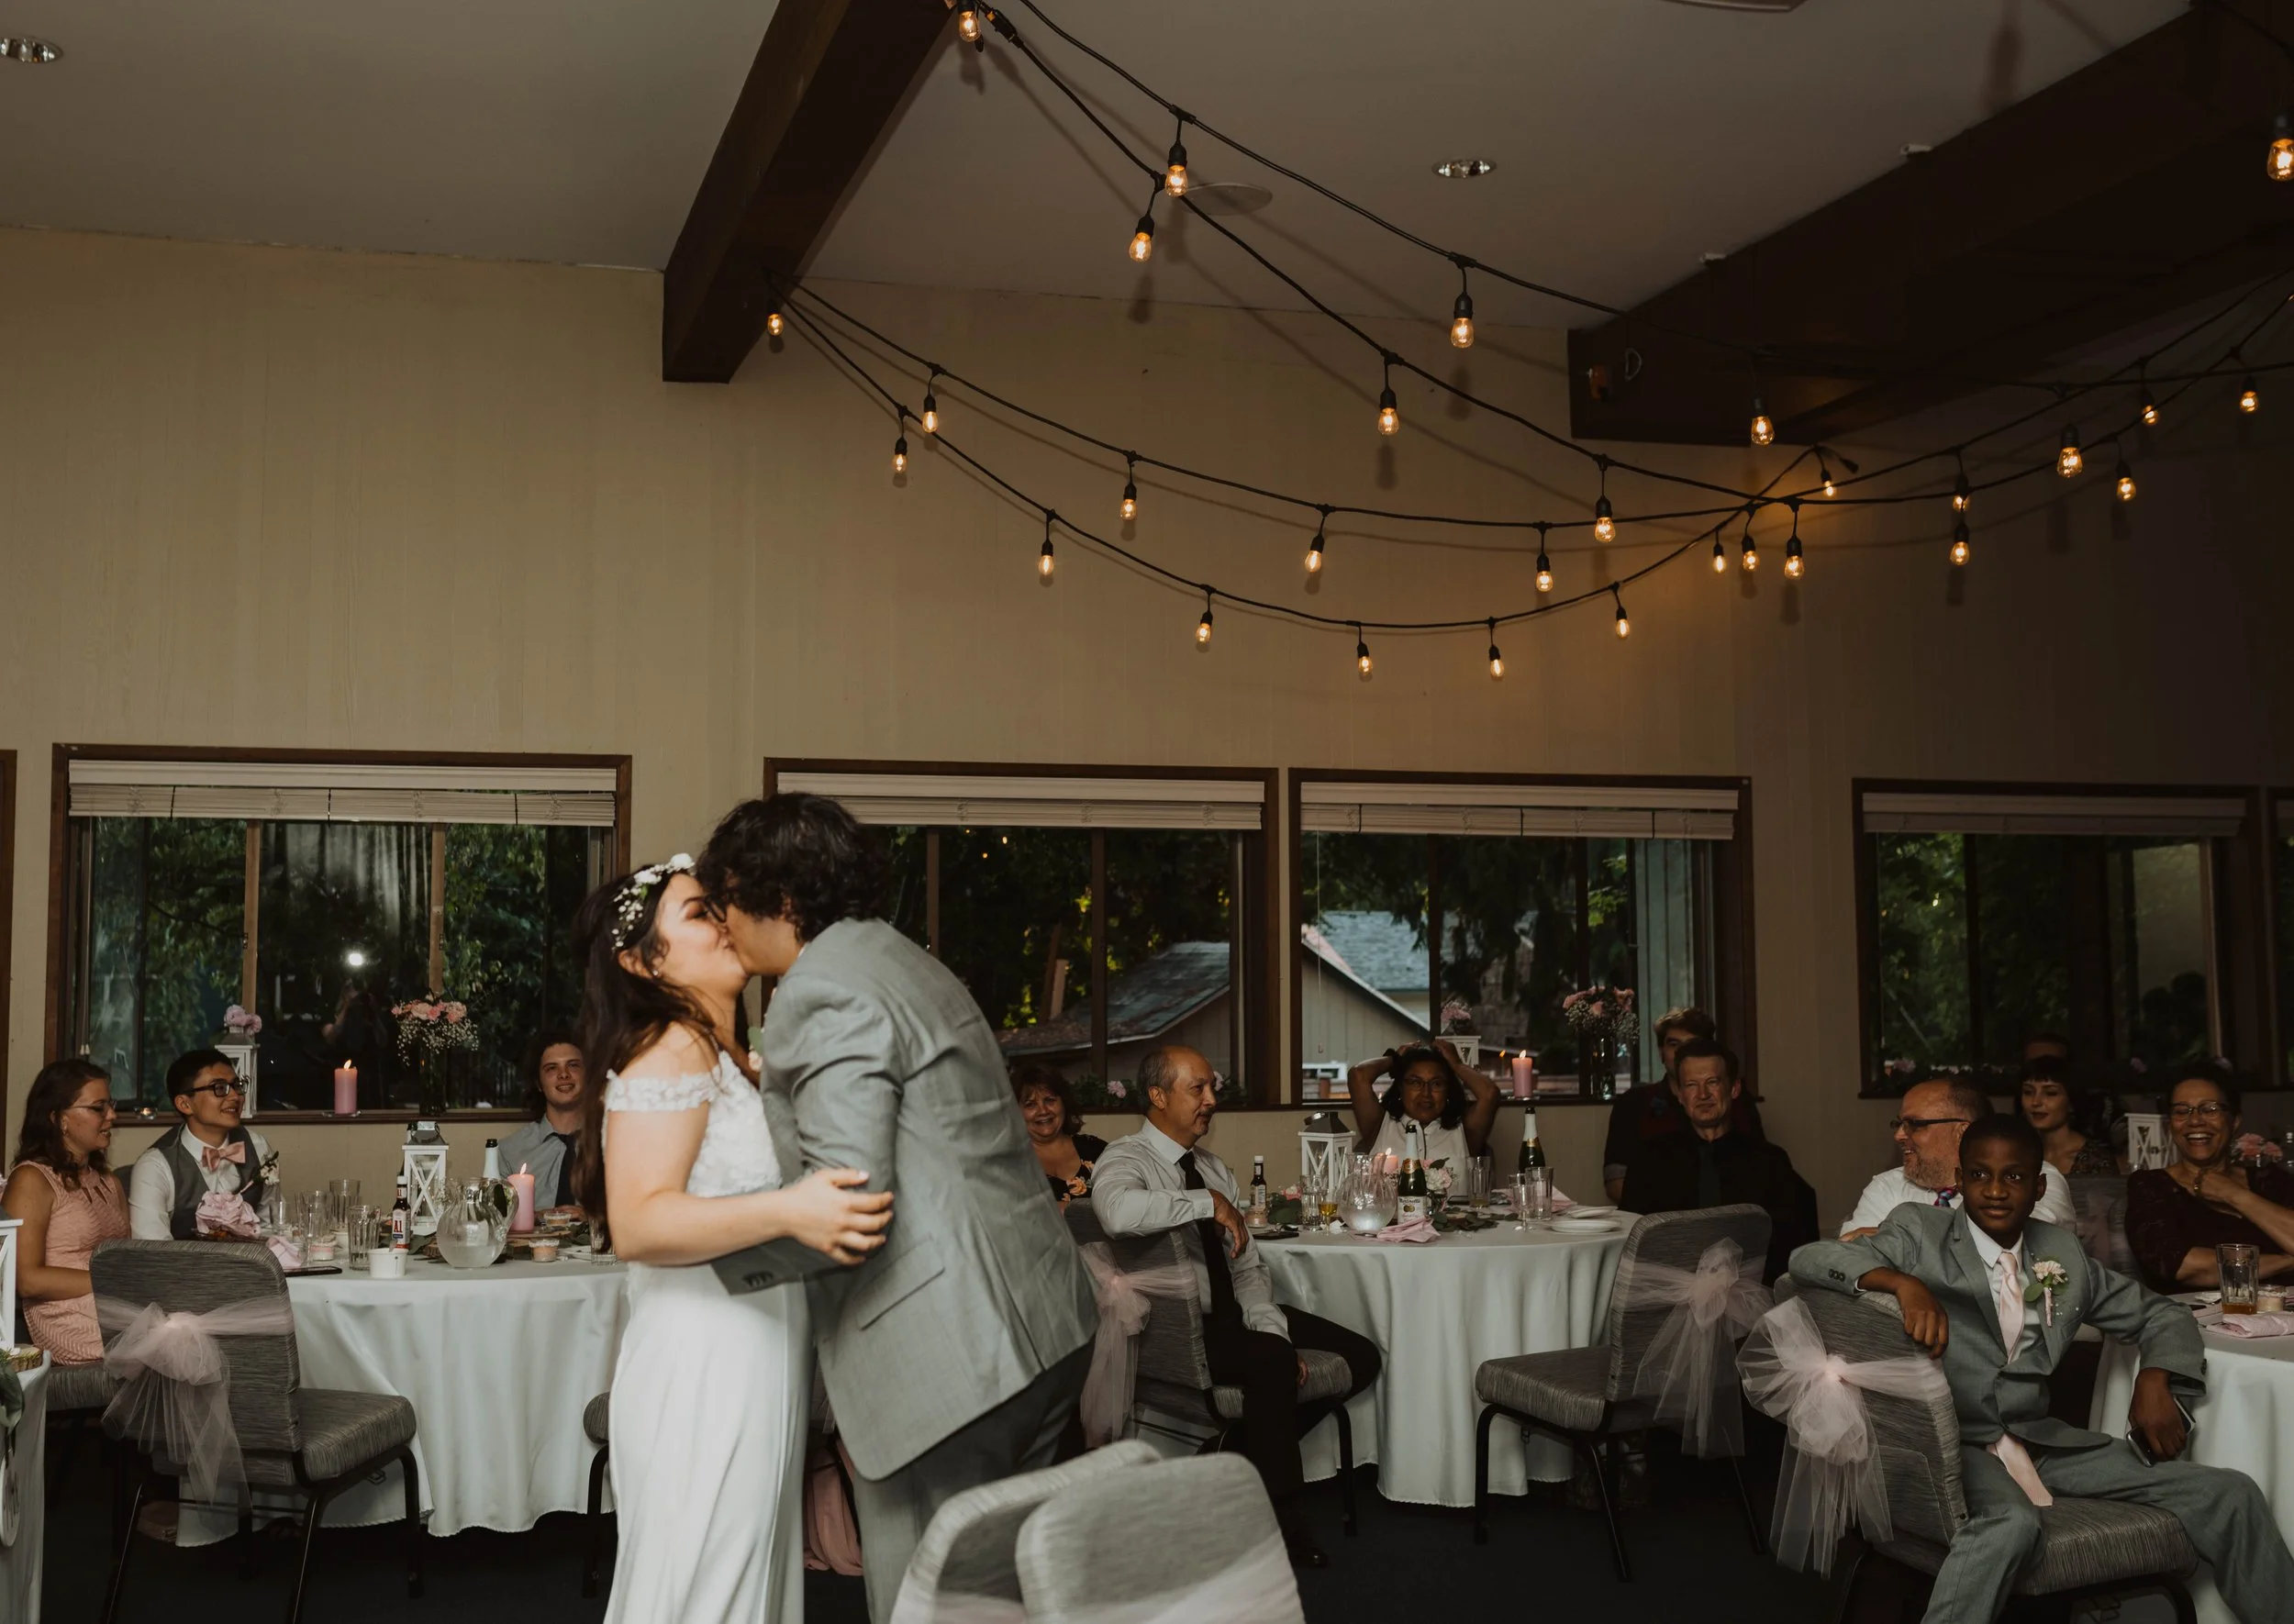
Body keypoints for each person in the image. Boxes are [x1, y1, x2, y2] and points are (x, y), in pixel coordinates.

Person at [699, 794, 1097, 1624]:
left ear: (776, 896)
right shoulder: (900, 959)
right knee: (1006, 1591)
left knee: (927, 1602)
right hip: (1041, 1321)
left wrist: (706, 1263)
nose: (722, 921)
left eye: (725, 899)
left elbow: (843, 1203)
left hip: (950, 1366)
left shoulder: (820, 990)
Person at [1790, 1114, 2294, 1624]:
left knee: (2230, 1492)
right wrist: (1902, 1284)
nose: (1995, 1191)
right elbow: (1810, 1259)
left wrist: (2156, 1375)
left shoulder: (2060, 1253)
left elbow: (2160, 1312)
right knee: (2011, 1523)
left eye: (2013, 1177)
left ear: (2037, 1187)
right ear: (1960, 1181)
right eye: (1980, 1175)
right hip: (1954, 1445)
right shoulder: (1920, 1231)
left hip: (2043, 1443)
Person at [570, 855, 893, 1624]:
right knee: (705, 1585)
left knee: (746, 1579)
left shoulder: (729, 1058)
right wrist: (791, 1211)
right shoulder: (669, 1048)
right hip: (701, 1357)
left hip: (757, 1344)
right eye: (695, 914)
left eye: (719, 909)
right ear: (641, 960)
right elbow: (640, 1223)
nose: (722, 923)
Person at [1093, 1044, 1382, 1570]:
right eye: (1197, 1089)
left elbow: (1247, 1269)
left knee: (1361, 1356)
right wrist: (1208, 1203)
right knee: (1272, 1364)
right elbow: (1115, 1213)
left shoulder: (1213, 1167)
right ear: (1157, 1096)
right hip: (1181, 1327)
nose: (1210, 1100)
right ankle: (1281, 1520)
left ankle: (1234, 1454)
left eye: (1212, 1089)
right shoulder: (1125, 1158)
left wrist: (1272, 1331)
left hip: (1234, 1317)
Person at [1619, 1040, 1816, 1282]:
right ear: (1680, 1095)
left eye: (1712, 1082)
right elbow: (1631, 1243)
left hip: (1756, 1296)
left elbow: (1792, 1249)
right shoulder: (1649, 1160)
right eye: (1692, 1085)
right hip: (1666, 1295)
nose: (1702, 1095)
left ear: (1734, 1089)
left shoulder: (1771, 1161)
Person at [3, 1059, 131, 1365]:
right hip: (67, 1316)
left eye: (110, 1104)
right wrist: (111, 1280)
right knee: (174, 1334)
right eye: (98, 1107)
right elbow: (27, 1279)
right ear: (58, 1118)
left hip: (117, 1302)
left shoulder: (109, 1182)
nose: (112, 1115)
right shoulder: (32, 1180)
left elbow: (128, 1256)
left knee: (195, 1321)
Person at [2122, 1069, 2294, 1293]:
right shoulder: (2151, 1186)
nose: (2194, 1121)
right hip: (2200, 1321)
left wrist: (2235, 1194)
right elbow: (2182, 1266)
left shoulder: (2270, 1180)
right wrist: (2287, 1261)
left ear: (2235, 1121)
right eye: (2181, 1111)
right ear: (2170, 1125)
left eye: (2210, 1109)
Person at [1841, 1076, 2075, 1238]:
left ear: (1962, 1131)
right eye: (1899, 1123)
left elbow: (2018, 1245)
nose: (1899, 1135)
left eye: (1914, 1124)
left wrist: (1896, 1238)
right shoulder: (1886, 1187)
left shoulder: (2030, 1178)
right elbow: (1851, 1257)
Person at [1601, 1006, 1765, 1201]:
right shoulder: (1634, 1103)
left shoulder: (1737, 1100)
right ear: (1661, 1052)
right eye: (1674, 1044)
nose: (1684, 1052)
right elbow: (1616, 1182)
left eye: (1693, 1044)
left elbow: (1762, 1171)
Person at [127, 1049, 274, 1240]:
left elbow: (271, 1227)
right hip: (184, 1269)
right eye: (219, 1088)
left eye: (237, 1085)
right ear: (184, 1104)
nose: (235, 1097)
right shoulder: (154, 1167)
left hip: (252, 1267)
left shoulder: (258, 1147)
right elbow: (154, 1255)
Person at [1343, 1039, 1499, 1171]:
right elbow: (1358, 1075)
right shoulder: (1380, 1125)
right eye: (1415, 1082)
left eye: (1436, 1084)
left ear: (1447, 1090)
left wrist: (1457, 1066)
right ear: (1401, 1088)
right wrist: (1395, 1059)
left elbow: (1489, 1093)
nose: (1426, 1093)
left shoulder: (1464, 1130)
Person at [496, 1026, 587, 1211]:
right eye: (552, 1068)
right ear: (538, 1083)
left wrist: (595, 1219)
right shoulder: (509, 1152)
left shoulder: (615, 1145)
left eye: (573, 1065)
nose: (564, 1074)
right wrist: (536, 1219)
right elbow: (495, 1222)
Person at [1010, 1062, 1106, 1204]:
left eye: (1050, 1100)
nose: (1043, 1111)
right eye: (1030, 1104)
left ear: (1064, 1103)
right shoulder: (1008, 1166)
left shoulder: (1096, 1150)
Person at [2018, 1057, 2121, 1178]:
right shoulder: (2019, 1153)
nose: (2036, 1102)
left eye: (2051, 1093)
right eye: (2028, 1092)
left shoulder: (2096, 1161)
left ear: (2071, 1102)